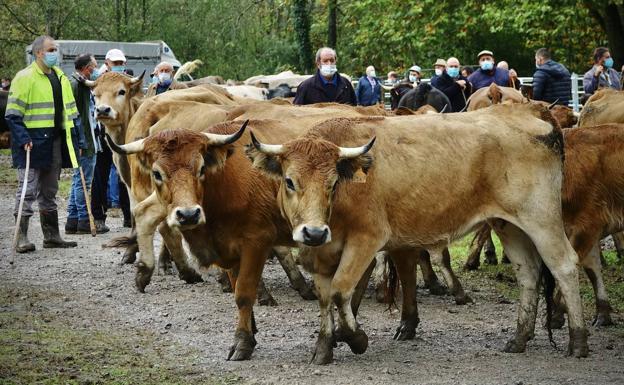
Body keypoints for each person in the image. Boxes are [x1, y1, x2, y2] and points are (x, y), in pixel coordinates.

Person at [5, 35, 80, 253]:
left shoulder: (60, 77)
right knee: (27, 189)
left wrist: (76, 139)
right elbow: (12, 115)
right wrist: (24, 138)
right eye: (51, 49)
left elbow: (70, 113)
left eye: (54, 49)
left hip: (54, 141)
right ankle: (21, 237)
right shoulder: (24, 77)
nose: (54, 53)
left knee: (50, 190)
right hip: (31, 141)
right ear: (39, 52)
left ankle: (52, 236)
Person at [64, 54, 109, 234]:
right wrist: (80, 142)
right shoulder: (77, 85)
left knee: (78, 180)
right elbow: (75, 118)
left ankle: (72, 220)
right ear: (87, 68)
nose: (96, 70)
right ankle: (84, 220)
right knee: (84, 182)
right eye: (94, 66)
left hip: (88, 140)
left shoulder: (80, 84)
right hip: (85, 142)